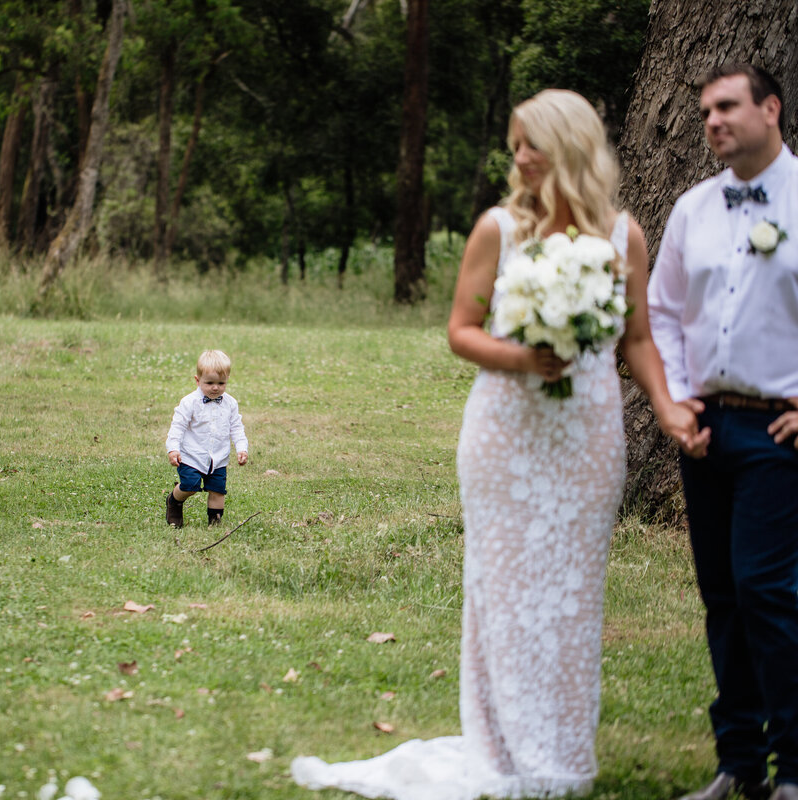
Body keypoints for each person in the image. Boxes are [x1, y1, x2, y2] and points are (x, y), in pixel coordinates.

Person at [291, 89, 698, 799]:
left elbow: (637, 339)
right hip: (505, 434)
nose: (518, 159)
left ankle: (561, 753)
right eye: (513, 147)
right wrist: (522, 357)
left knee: (573, 593)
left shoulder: (622, 235)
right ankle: (502, 748)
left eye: (529, 145)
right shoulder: (498, 230)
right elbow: (462, 330)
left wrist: (669, 409)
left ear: (567, 147)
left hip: (587, 435)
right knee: (502, 590)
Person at [648, 63, 798, 800]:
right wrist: (675, 404)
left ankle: (795, 767)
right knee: (723, 597)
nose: (712, 120)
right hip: (704, 426)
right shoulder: (692, 209)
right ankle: (738, 763)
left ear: (771, 108)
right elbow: (664, 313)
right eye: (706, 109)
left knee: (767, 589)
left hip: (780, 431)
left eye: (727, 106)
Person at [165, 349, 249, 528]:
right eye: (209, 382)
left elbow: (237, 428)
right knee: (190, 485)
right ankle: (174, 501)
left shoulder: (230, 404)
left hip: (218, 457)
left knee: (218, 490)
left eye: (221, 383)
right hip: (191, 456)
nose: (215, 387)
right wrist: (173, 448)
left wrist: (242, 448)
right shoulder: (189, 402)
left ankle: (214, 524)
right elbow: (177, 427)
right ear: (197, 380)